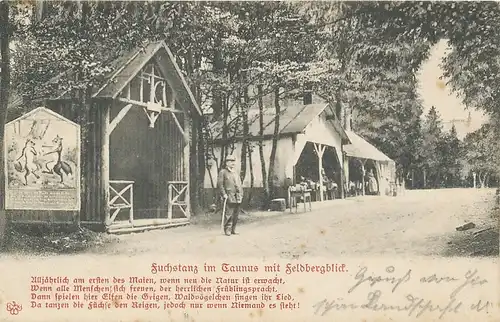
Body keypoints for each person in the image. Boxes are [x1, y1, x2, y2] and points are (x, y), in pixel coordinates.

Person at [217, 155, 243, 236]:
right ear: (227, 163)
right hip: (229, 195)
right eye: (231, 161)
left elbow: (239, 183)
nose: (233, 163)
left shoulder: (235, 172)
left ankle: (233, 229)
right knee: (229, 213)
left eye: (233, 161)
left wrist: (241, 193)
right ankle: (227, 229)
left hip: (237, 196)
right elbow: (220, 185)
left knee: (236, 214)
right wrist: (224, 194)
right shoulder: (223, 172)